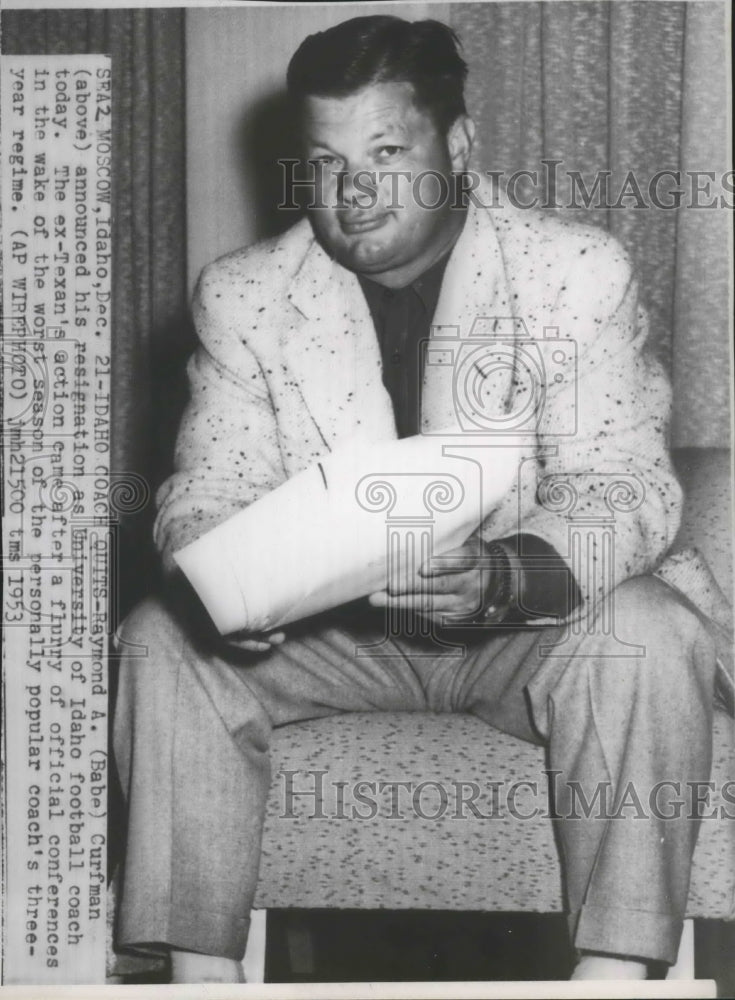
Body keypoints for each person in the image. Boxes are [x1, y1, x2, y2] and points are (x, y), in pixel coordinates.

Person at [113, 15, 722, 983]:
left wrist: (504, 575)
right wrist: (235, 584)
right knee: (160, 634)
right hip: (339, 639)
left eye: (387, 152)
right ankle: (200, 977)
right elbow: (203, 491)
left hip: (518, 627)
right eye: (325, 163)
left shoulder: (572, 273)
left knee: (651, 631)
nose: (352, 192)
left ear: (460, 147)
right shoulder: (244, 294)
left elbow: (628, 487)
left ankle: (613, 976)